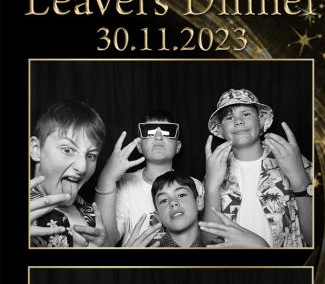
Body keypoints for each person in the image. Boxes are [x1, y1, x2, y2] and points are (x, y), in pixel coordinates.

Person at [203, 87, 312, 247]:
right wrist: (211, 187)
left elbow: (315, 239)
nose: (238, 121)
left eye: (246, 114)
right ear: (221, 130)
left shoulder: (291, 158)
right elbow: (210, 241)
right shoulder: (215, 169)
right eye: (229, 117)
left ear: (261, 122)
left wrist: (299, 179)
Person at [94, 108, 203, 247]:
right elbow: (105, 241)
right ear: (139, 146)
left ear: (178, 146)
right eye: (150, 132)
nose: (158, 137)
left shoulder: (193, 185)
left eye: (167, 132)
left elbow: (207, 238)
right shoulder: (124, 183)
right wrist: (106, 178)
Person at [30, 99, 107, 248]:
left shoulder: (88, 211)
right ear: (36, 149)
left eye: (91, 155)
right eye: (67, 150)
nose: (82, 167)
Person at [150, 171, 208, 249]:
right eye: (164, 200)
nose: (173, 202)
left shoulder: (220, 244)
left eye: (181, 195)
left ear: (199, 202)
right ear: (158, 216)